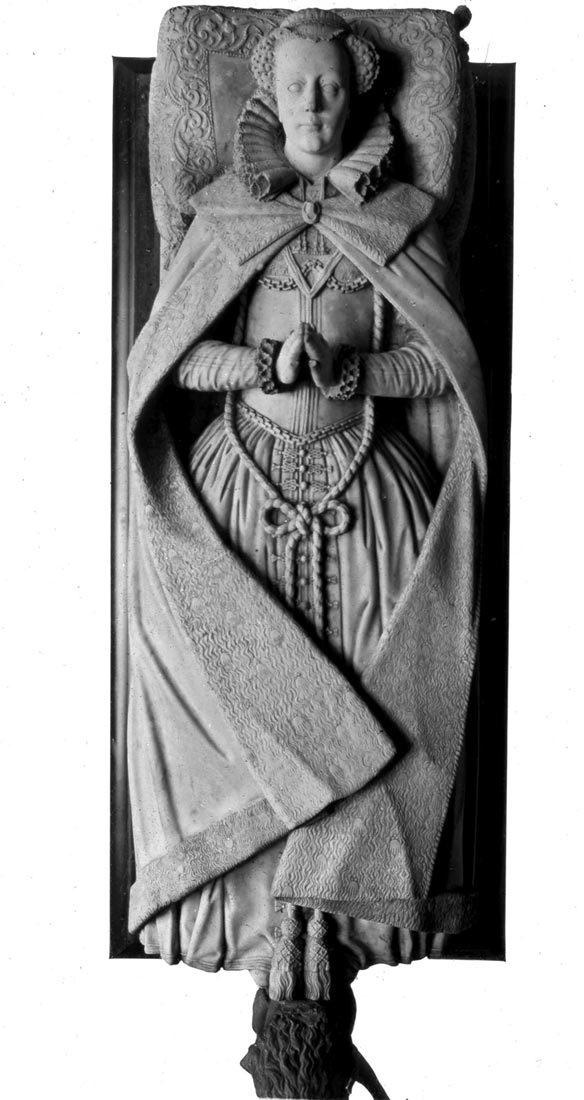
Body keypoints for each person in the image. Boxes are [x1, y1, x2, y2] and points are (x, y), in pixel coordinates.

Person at [126, 6, 486, 1055]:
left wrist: (356, 372)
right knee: (244, 700)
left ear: (364, 94)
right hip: (240, 482)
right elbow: (177, 360)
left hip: (373, 492)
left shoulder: (404, 219)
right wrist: (257, 369)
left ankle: (333, 900)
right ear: (267, 98)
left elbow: (441, 369)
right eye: (296, 88)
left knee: (380, 688)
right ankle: (256, 900)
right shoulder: (222, 216)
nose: (315, 107)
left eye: (331, 87)